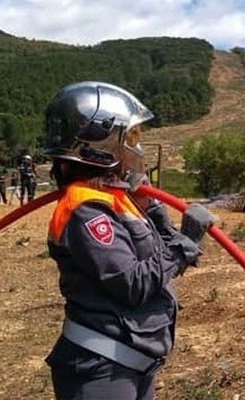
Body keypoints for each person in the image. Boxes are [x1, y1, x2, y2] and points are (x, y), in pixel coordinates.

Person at [42, 81, 217, 400]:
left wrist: (156, 211)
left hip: (132, 365)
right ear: (100, 144)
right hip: (101, 369)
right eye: (132, 136)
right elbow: (133, 283)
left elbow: (160, 258)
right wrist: (187, 241)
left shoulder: (111, 199)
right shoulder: (86, 211)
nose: (138, 145)